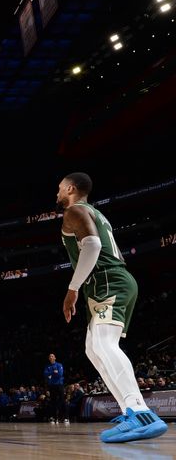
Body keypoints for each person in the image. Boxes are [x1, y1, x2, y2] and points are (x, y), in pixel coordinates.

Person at [56, 172, 168, 443]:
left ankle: (141, 412)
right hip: (108, 282)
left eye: (59, 189)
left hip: (108, 281)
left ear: (71, 189)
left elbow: (92, 245)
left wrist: (72, 289)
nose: (57, 194)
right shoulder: (94, 212)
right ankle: (130, 412)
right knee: (92, 349)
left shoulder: (74, 210)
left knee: (105, 345)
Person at [45, 354, 66, 423]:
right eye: (50, 356)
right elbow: (45, 374)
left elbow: (60, 374)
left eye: (52, 356)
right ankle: (54, 418)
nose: (51, 357)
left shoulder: (59, 365)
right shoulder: (47, 366)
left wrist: (51, 375)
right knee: (53, 401)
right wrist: (53, 372)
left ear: (55, 358)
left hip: (59, 385)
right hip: (52, 385)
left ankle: (64, 417)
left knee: (62, 400)